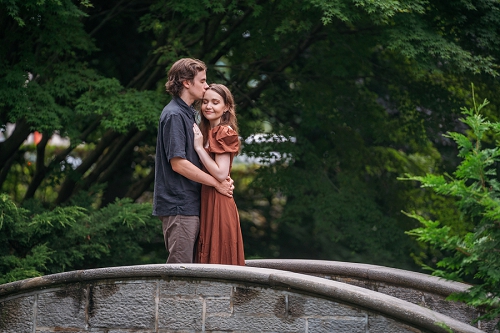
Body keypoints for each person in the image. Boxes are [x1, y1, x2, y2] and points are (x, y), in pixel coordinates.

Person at [153, 58, 234, 264]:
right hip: (179, 206)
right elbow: (178, 164)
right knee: (181, 273)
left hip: (191, 204)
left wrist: (221, 178)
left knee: (194, 271)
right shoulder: (174, 115)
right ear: (187, 82)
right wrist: (217, 183)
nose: (206, 86)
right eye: (202, 80)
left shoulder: (188, 115)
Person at [193, 84, 245, 265]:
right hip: (207, 198)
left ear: (227, 107)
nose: (208, 106)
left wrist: (199, 148)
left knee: (219, 254)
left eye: (215, 102)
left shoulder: (224, 131)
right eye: (205, 102)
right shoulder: (205, 131)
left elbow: (221, 173)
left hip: (219, 200)